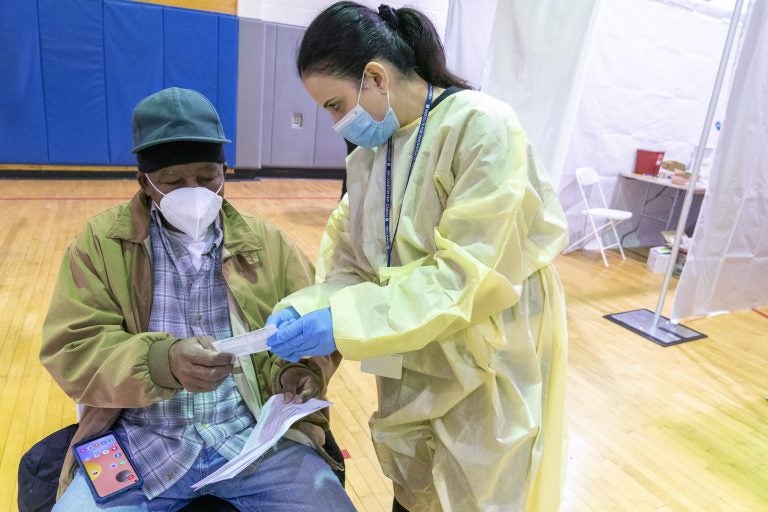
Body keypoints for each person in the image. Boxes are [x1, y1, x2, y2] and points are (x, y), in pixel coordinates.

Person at [266, 3, 570, 511]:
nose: (338, 123)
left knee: (483, 482)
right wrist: (310, 303)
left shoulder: (481, 127)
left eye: (335, 105)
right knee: (414, 484)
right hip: (410, 344)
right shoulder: (368, 157)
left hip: (487, 348)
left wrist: (341, 319)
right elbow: (353, 261)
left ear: (375, 77)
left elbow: (463, 277)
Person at [40, 87, 355, 511]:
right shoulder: (101, 246)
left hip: (252, 438)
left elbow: (314, 328)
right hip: (140, 440)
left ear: (226, 170)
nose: (195, 192)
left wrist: (296, 374)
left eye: (208, 177)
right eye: (174, 182)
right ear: (145, 182)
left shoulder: (269, 245)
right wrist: (162, 362)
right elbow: (71, 349)